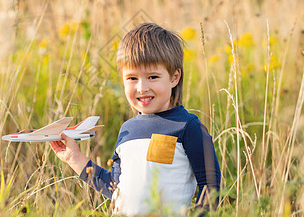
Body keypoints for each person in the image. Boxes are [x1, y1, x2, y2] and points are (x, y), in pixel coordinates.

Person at [49, 23, 221, 216]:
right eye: (132, 78)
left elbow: (210, 185)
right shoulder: (127, 130)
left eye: (152, 77)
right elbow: (114, 188)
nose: (141, 87)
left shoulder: (187, 126)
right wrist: (75, 158)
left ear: (174, 77)